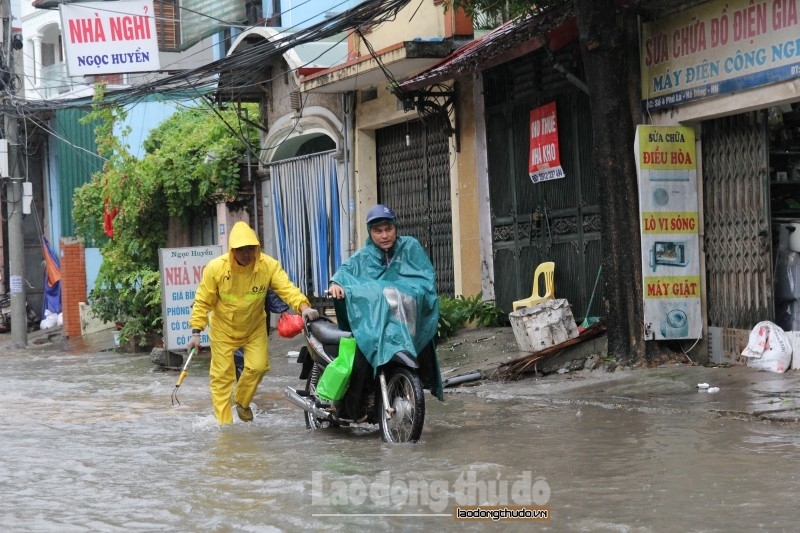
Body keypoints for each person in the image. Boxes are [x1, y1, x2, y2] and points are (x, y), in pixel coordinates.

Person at [186, 221, 319, 424]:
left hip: (254, 327)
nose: (246, 254)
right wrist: (196, 332)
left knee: (258, 367)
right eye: (241, 250)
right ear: (232, 251)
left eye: (250, 249)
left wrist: (303, 306)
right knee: (222, 378)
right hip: (223, 329)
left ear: (256, 248)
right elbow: (203, 300)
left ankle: (241, 400)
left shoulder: (268, 266)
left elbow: (287, 288)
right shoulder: (216, 269)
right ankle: (225, 428)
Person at [327, 204, 443, 417]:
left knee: (423, 348)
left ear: (395, 227)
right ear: (370, 233)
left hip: (404, 324)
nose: (384, 235)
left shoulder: (410, 247)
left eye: (388, 229)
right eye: (378, 231)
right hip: (374, 326)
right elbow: (345, 272)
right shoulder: (364, 256)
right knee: (360, 360)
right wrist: (337, 284)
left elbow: (425, 278)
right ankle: (349, 408)